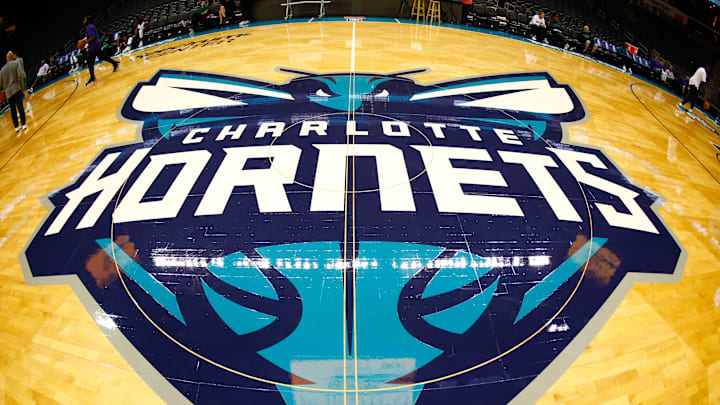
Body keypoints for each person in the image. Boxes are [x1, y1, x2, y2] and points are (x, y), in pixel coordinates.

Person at [83, 15, 119, 86]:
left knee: (90, 61)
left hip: (94, 46)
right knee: (102, 57)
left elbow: (92, 37)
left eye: (84, 20)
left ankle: (92, 78)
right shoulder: (91, 26)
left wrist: (86, 42)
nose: (83, 21)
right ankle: (115, 63)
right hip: (96, 44)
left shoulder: (89, 27)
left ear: (88, 21)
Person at [0, 51, 27, 132]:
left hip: (8, 92)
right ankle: (24, 124)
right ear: (12, 57)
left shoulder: (2, 70)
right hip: (16, 88)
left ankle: (16, 127)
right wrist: (22, 85)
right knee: (20, 106)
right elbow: (22, 75)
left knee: (12, 109)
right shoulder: (16, 64)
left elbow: (0, 84)